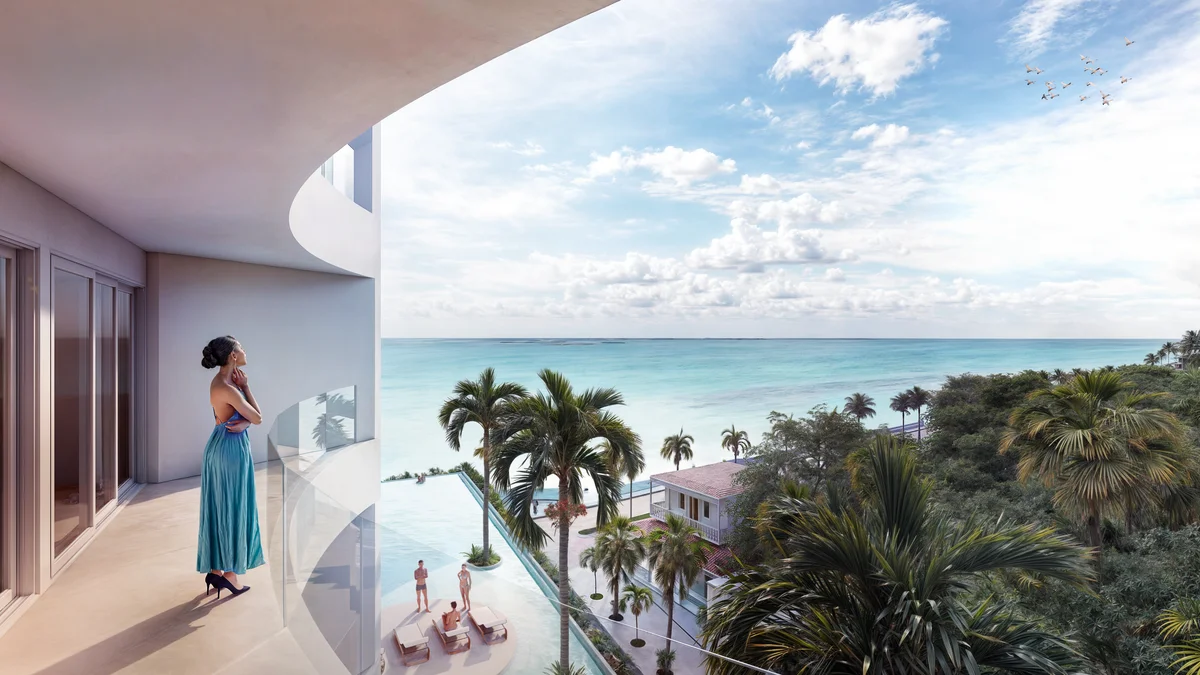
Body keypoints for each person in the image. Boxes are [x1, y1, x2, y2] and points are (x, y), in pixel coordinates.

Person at [197, 336, 264, 599]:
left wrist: (246, 420)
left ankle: (215, 570)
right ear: (233, 356)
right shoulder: (229, 389)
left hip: (219, 445)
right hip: (230, 451)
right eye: (241, 347)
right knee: (234, 509)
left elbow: (249, 419)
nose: (245, 350)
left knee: (219, 508)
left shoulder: (220, 383)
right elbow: (258, 417)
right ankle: (231, 576)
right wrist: (246, 390)